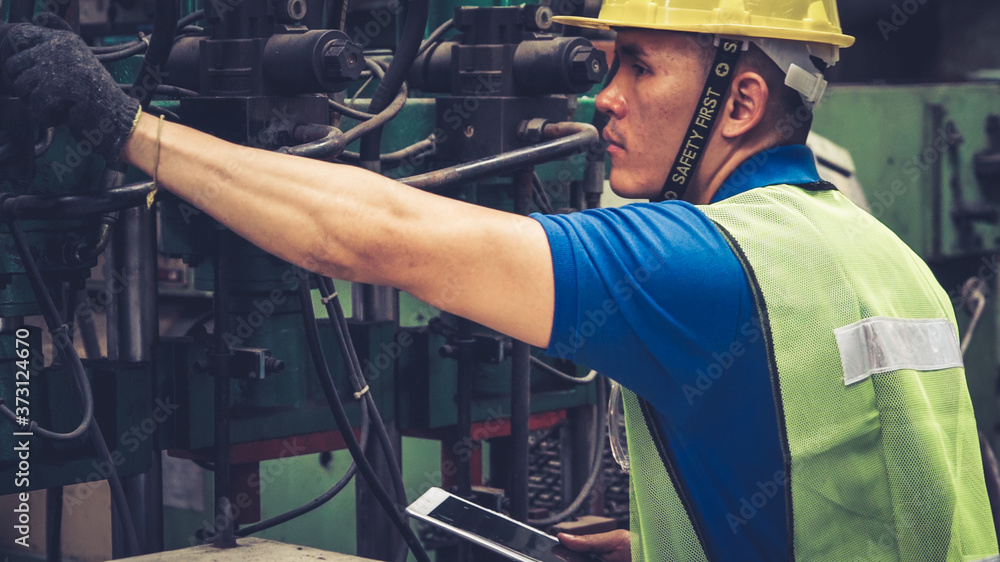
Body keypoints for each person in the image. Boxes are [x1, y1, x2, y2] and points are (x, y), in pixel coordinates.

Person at [3, 0, 998, 558]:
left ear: (739, 101)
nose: (601, 99)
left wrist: (128, 129)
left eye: (638, 68)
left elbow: (380, 237)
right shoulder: (872, 249)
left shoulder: (703, 264)